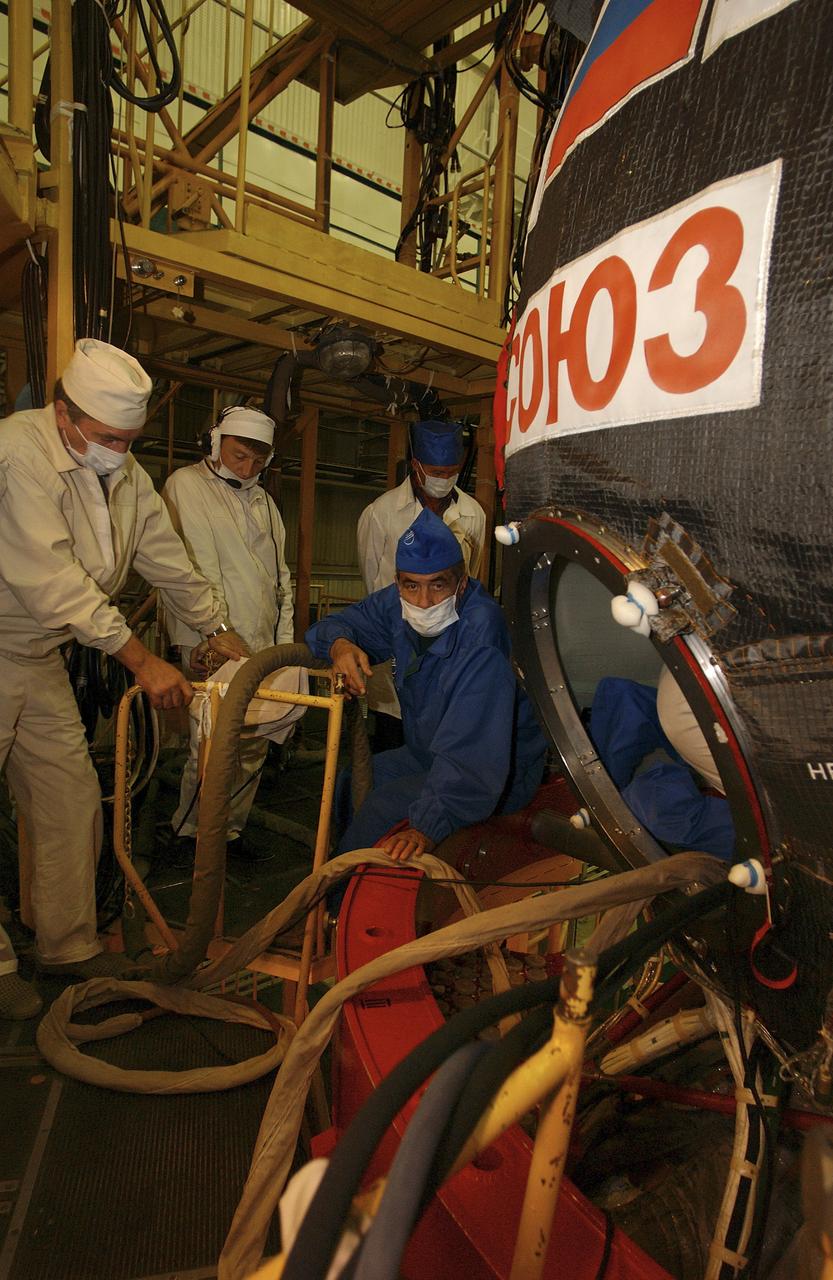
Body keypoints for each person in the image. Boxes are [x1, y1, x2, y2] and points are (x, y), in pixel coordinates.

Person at [0, 339, 248, 1018]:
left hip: (34, 653)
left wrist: (216, 629)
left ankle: (67, 945)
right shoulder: (19, 453)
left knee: (70, 796)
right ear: (64, 413)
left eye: (129, 438)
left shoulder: (124, 474)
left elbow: (167, 560)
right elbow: (53, 584)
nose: (119, 449)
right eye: (109, 436)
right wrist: (141, 658)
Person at [306, 508, 548, 866]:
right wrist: (339, 645)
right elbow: (342, 623)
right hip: (428, 752)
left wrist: (429, 825)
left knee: (380, 807)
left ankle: (339, 899)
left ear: (461, 583)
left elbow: (473, 754)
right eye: (411, 585)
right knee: (350, 781)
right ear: (398, 581)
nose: (422, 602)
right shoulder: (396, 603)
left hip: (497, 770)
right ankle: (343, 861)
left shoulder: (481, 634)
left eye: (438, 584)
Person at [161, 405, 294, 852]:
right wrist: (209, 634)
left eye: (259, 460)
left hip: (261, 643)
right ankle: (190, 833)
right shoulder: (185, 486)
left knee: (254, 743)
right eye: (239, 455)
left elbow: (281, 579)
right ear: (215, 443)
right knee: (212, 743)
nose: (248, 467)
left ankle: (229, 831)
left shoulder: (265, 502)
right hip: (213, 641)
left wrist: (286, 647)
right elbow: (190, 569)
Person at [356, 418, 486, 747]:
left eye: (451, 472)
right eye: (436, 472)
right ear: (416, 466)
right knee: (394, 737)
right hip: (398, 645)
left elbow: (472, 580)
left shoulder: (474, 514)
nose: (444, 480)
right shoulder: (380, 513)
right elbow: (373, 581)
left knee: (444, 740)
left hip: (451, 645)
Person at [589, 668, 735, 860]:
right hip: (713, 714)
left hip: (748, 765)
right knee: (617, 696)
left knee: (659, 815)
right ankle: (607, 795)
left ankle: (748, 840)